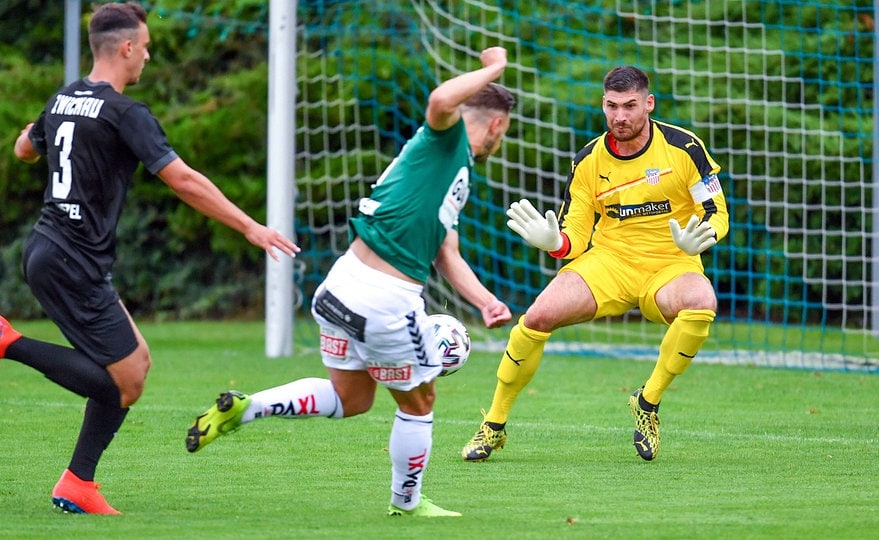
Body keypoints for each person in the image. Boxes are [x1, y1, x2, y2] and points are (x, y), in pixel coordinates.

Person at [185, 47, 515, 517]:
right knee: (420, 401)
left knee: (351, 398)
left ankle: (246, 407)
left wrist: (484, 302)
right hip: (384, 300)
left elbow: (446, 251)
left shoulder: (446, 169)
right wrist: (493, 68)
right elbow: (441, 99)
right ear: (497, 125)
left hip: (340, 287)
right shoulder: (447, 140)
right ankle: (409, 504)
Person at [3, 2, 299, 514]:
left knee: (134, 365)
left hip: (55, 251)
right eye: (145, 47)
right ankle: (8, 342)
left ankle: (78, 483)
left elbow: (23, 151)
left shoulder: (63, 98)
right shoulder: (125, 112)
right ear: (126, 47)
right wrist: (251, 225)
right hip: (71, 258)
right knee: (127, 381)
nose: (148, 56)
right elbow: (182, 179)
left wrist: (42, 131)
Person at [461, 65, 729, 463]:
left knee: (701, 302)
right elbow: (574, 236)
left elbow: (716, 210)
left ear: (648, 104)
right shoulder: (588, 160)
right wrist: (554, 243)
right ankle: (494, 425)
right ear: (603, 105)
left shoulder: (685, 148)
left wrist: (703, 234)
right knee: (536, 317)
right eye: (612, 106)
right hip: (610, 262)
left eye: (630, 106)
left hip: (671, 263)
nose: (620, 116)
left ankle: (648, 401)